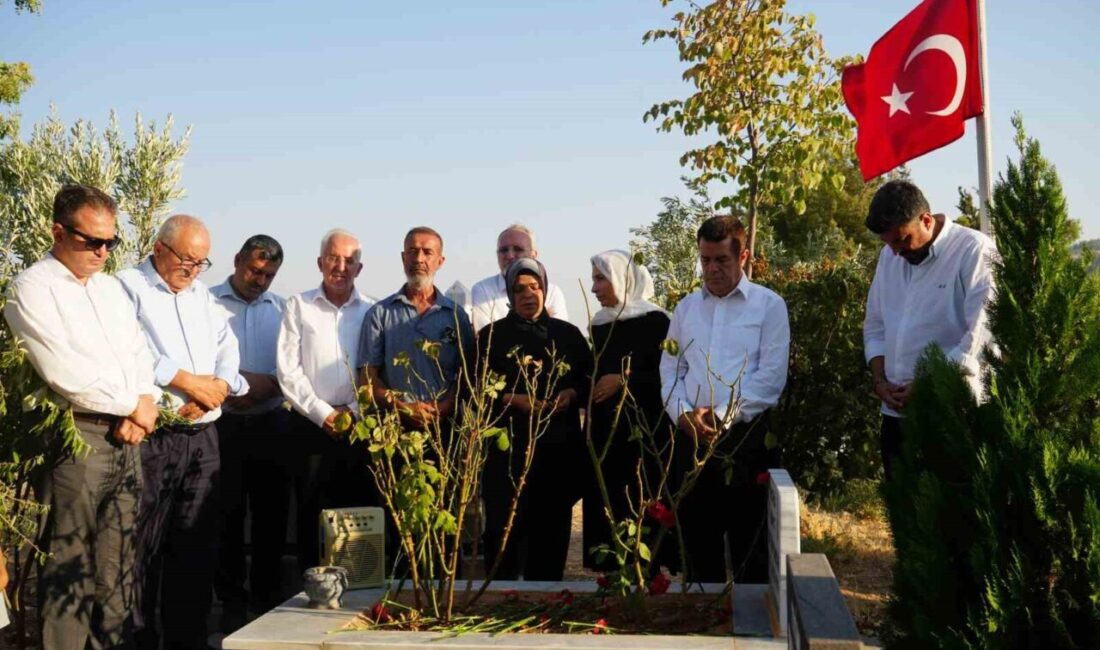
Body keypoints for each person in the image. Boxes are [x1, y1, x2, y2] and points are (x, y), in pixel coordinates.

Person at [3, 185, 159, 647]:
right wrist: (133, 403)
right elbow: (65, 372)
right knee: (68, 573)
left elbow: (138, 352)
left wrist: (145, 402)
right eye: (92, 241)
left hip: (129, 439)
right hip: (77, 440)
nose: (103, 252)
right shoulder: (32, 288)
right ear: (57, 231)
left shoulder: (111, 290)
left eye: (111, 242)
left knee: (116, 573)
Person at [118, 214, 249, 650]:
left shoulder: (201, 297)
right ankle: (141, 640)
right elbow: (132, 348)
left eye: (201, 262)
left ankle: (186, 641)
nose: (192, 269)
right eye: (186, 259)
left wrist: (220, 387)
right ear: (159, 248)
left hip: (204, 437)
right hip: (156, 436)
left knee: (195, 547)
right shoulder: (126, 287)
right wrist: (188, 383)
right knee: (145, 548)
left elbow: (227, 345)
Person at [659, 215, 789, 584]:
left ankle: (754, 635)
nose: (712, 269)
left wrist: (721, 416)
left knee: (751, 546)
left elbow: (770, 378)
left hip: (745, 441)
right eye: (705, 260)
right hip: (691, 440)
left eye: (721, 260)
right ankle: (704, 629)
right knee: (698, 543)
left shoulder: (769, 306)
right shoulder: (686, 309)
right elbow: (670, 369)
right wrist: (683, 415)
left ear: (743, 256)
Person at [862, 179, 996, 478]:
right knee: (903, 519)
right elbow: (875, 325)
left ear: (925, 220)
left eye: (902, 240)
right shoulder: (889, 257)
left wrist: (927, 386)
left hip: (953, 414)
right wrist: (880, 381)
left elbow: (982, 335)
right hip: (896, 418)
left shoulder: (973, 250)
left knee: (953, 520)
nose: (895, 252)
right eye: (888, 243)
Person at [477, 258, 590, 580]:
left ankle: (547, 607)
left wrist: (569, 395)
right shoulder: (491, 338)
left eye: (535, 286)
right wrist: (513, 399)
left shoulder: (567, 335)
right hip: (506, 458)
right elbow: (472, 390)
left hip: (556, 456)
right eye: (519, 289)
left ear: (545, 288)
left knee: (551, 536)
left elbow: (587, 382)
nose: (529, 294)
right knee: (503, 536)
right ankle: (499, 601)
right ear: (509, 296)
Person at [276, 229, 375, 572]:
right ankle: (310, 591)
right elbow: (288, 370)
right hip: (310, 425)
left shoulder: (372, 311)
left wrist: (353, 412)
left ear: (359, 269)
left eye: (350, 260)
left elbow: (375, 371)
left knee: (356, 514)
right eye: (334, 258)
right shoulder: (298, 306)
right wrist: (323, 414)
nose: (341, 267)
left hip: (358, 427)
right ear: (320, 263)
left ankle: (357, 586)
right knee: (309, 514)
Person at [210, 234, 290, 633]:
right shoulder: (204, 303)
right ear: (238, 259)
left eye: (269, 275)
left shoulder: (283, 309)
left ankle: (267, 597)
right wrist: (233, 385)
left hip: (270, 423)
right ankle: (230, 602)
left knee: (271, 516)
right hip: (221, 424)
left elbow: (293, 366)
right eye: (255, 270)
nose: (260, 280)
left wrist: (268, 385)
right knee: (226, 514)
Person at [581, 250, 671, 571]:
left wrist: (623, 379)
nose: (594, 289)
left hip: (644, 434)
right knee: (609, 511)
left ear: (623, 278)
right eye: (593, 279)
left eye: (600, 278)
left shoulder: (657, 321)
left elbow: (667, 375)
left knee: (643, 508)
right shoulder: (600, 325)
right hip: (607, 434)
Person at [359, 226, 473, 437]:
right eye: (412, 251)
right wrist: (402, 406)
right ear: (403, 258)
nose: (419, 259)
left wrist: (447, 404)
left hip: (446, 429)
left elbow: (467, 374)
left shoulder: (456, 316)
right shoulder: (380, 314)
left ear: (440, 261)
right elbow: (367, 376)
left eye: (427, 252)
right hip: (394, 431)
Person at [470, 224, 569, 332]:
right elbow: (487, 337)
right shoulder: (483, 290)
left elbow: (558, 334)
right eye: (504, 250)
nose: (510, 255)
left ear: (534, 255)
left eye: (518, 249)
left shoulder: (552, 292)